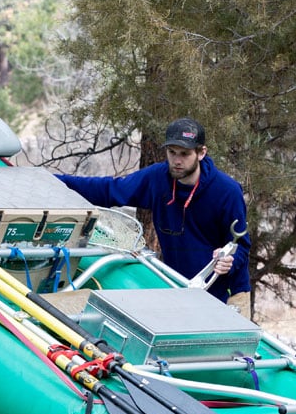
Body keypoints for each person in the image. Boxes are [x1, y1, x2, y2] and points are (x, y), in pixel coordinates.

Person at [56, 117, 252, 317]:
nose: (176, 161)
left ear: (201, 153)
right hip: (180, 288)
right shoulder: (158, 179)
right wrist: (56, 182)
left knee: (227, 349)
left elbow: (242, 246)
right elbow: (110, 190)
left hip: (228, 295)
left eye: (184, 154)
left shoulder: (226, 191)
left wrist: (230, 260)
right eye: (172, 152)